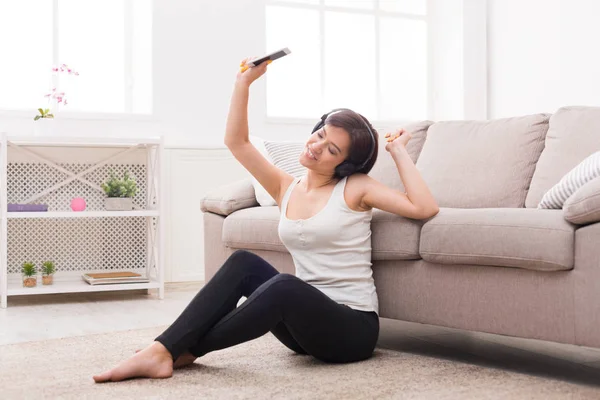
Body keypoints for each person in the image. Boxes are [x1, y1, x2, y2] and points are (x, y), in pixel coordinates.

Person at [93, 57, 439, 383]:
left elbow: (423, 208)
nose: (317, 146)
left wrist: (397, 152)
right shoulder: (286, 186)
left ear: (344, 165)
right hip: (302, 333)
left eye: (332, 149)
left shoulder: (355, 188)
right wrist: (244, 83)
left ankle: (174, 350)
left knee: (286, 286)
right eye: (320, 135)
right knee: (244, 263)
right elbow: (237, 142)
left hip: (351, 331)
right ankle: (169, 348)